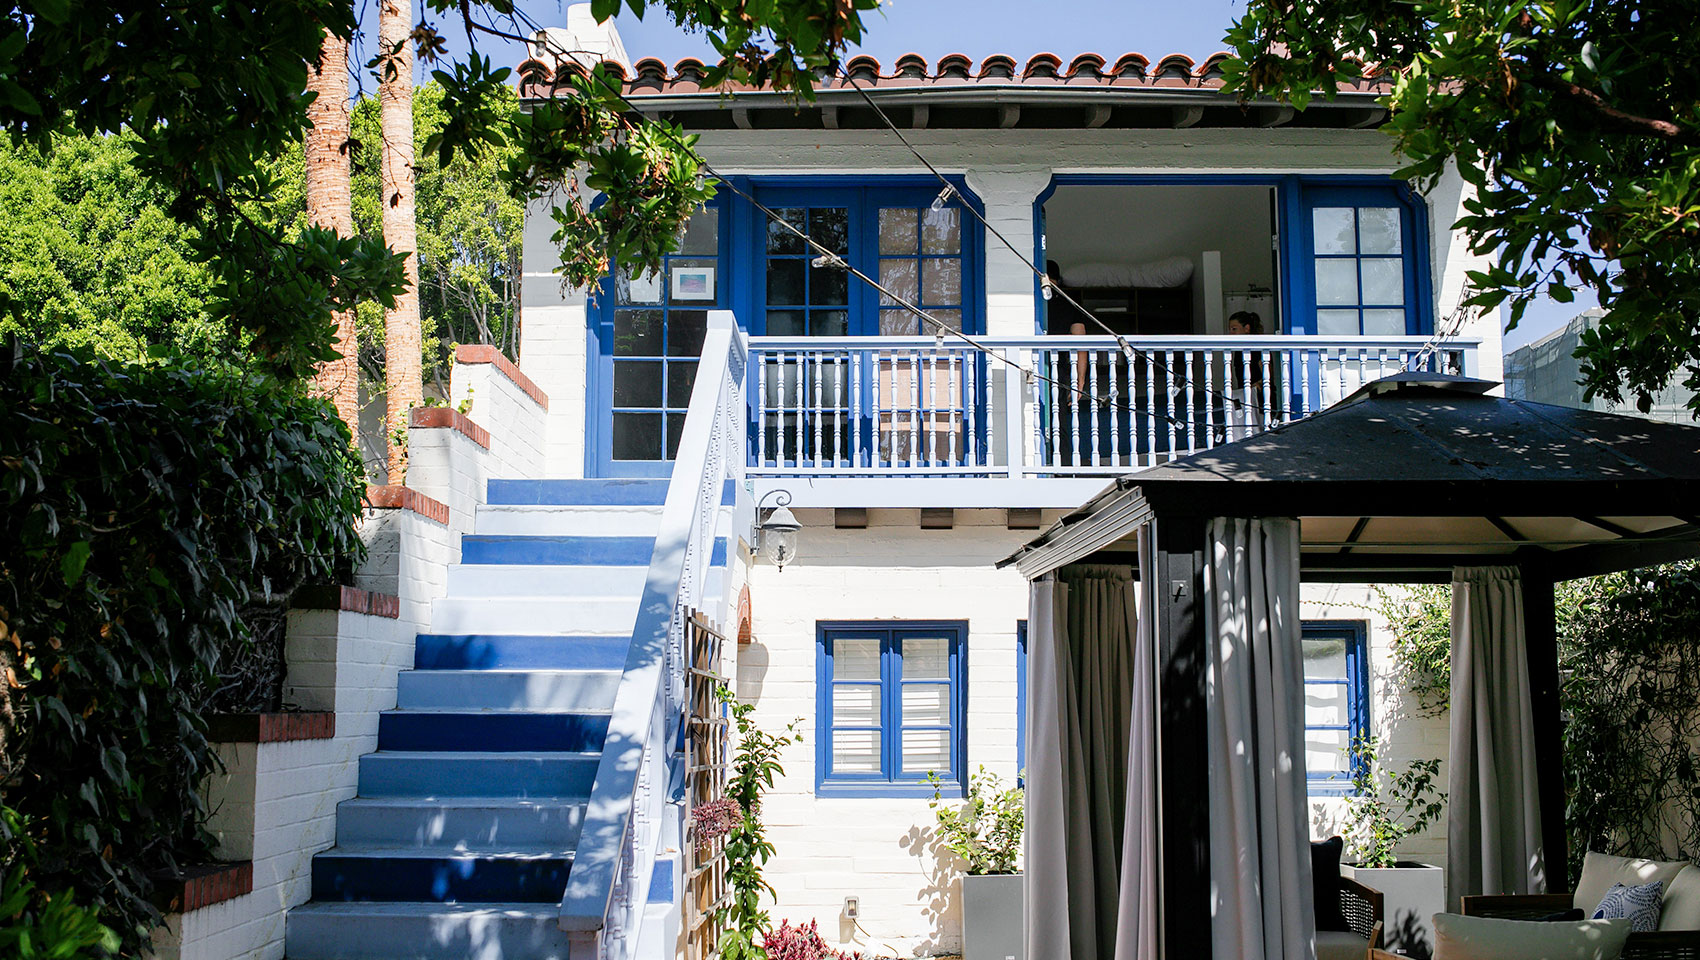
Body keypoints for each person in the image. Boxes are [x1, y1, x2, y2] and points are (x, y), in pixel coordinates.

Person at [1226, 310, 1266, 442]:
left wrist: (1257, 386)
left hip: (1260, 397)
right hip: (1245, 395)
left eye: (1234, 329)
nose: (1231, 333)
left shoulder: (1258, 347)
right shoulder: (1238, 349)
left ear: (1247, 328)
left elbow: (1267, 373)